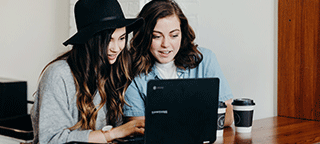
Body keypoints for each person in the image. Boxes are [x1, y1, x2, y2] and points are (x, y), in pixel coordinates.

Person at [30, 0, 145, 143]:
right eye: (109, 40)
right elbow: (51, 140)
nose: (116, 48)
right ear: (90, 40)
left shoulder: (115, 70)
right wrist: (113, 133)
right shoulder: (59, 75)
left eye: (122, 38)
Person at [123, 0, 234, 127]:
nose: (166, 44)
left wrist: (173, 122)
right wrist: (197, 117)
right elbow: (137, 126)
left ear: (182, 33)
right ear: (144, 37)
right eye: (156, 36)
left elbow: (228, 114)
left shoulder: (204, 59)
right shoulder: (132, 71)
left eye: (174, 35)